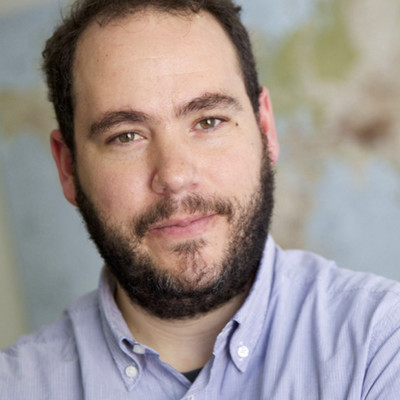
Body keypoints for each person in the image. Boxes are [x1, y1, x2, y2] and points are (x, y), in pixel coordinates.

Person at [1, 0, 400, 398]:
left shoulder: (381, 344)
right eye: (126, 136)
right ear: (68, 168)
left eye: (209, 121)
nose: (175, 176)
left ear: (265, 129)